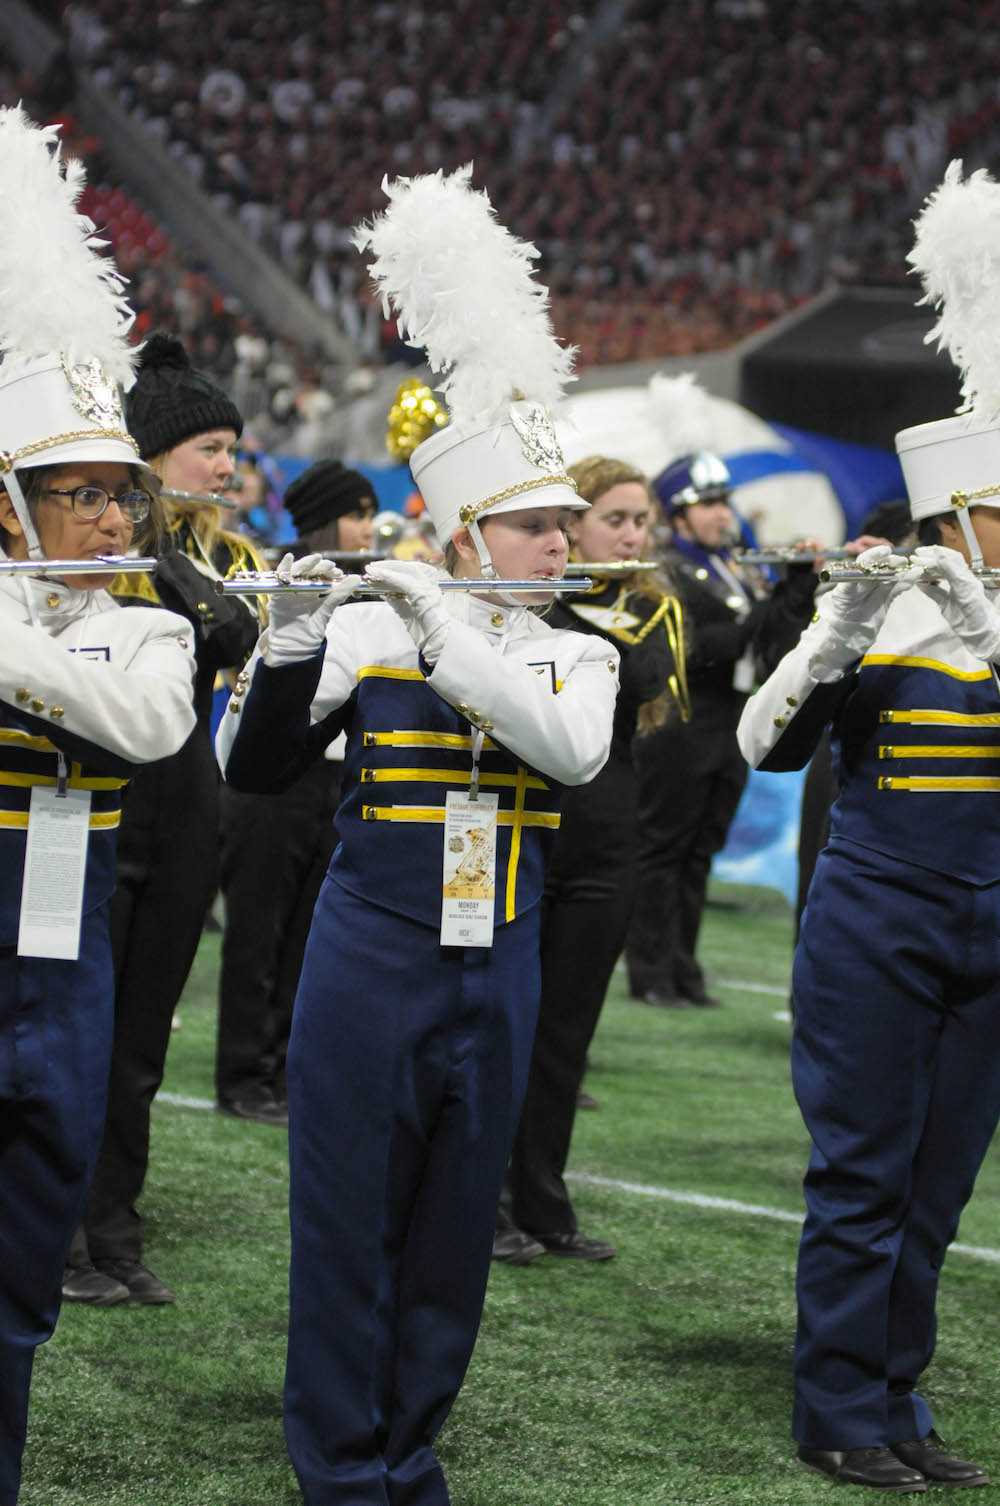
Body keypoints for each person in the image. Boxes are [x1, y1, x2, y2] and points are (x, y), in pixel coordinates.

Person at [217, 162, 620, 1506]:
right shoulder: (372, 626)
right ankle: (339, 1462)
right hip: (371, 949)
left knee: (453, 1232)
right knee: (344, 1223)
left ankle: (411, 1449)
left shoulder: (581, 655)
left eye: (564, 519)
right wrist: (284, 646)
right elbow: (252, 767)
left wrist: (448, 627)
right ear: (459, 525)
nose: (559, 540)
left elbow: (566, 748)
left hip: (498, 954)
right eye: (533, 523)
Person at [737, 410, 1000, 1489]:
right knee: (862, 1173)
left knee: (937, 1185)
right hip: (877, 917)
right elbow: (766, 744)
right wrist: (836, 631)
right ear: (957, 518)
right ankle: (837, 1404)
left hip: (990, 927)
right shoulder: (877, 609)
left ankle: (896, 1396)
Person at [0, 105, 196, 1506]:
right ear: (13, 506)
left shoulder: (151, 627)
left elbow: (142, 723)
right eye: (81, 498)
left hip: (66, 974)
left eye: (122, 496)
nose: (116, 522)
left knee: (22, 1267)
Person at [63, 332, 263, 1307]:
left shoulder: (208, 557)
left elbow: (232, 631)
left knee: (140, 1044)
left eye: (230, 449)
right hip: (87, 809)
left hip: (182, 810)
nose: (227, 467)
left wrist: (168, 550)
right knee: (66, 1031)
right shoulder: (72, 554)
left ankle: (114, 1223)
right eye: (208, 450)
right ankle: (53, 1225)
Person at [495, 455, 690, 1265]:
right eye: (616, 520)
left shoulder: (642, 609)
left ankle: (542, 1200)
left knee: (565, 1037)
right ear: (572, 525)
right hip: (525, 836)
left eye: (641, 522)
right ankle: (486, 1202)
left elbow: (643, 678)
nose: (633, 535)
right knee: (503, 1030)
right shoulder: (521, 604)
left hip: (607, 847)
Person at [215, 460, 378, 1125]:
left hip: (332, 777)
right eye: (358, 514)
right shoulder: (286, 581)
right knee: (258, 931)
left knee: (308, 933)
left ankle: (283, 1066)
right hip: (270, 778)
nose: (369, 528)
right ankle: (241, 1075)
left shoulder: (370, 586)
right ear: (324, 521)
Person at [626, 452, 819, 1008]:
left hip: (727, 722)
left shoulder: (736, 564)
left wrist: (793, 594)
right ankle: (650, 972)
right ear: (680, 515)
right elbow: (707, 645)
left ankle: (684, 969)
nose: (721, 513)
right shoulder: (664, 569)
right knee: (662, 850)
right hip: (680, 725)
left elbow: (765, 643)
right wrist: (779, 595)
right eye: (707, 503)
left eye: (723, 501)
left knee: (700, 850)